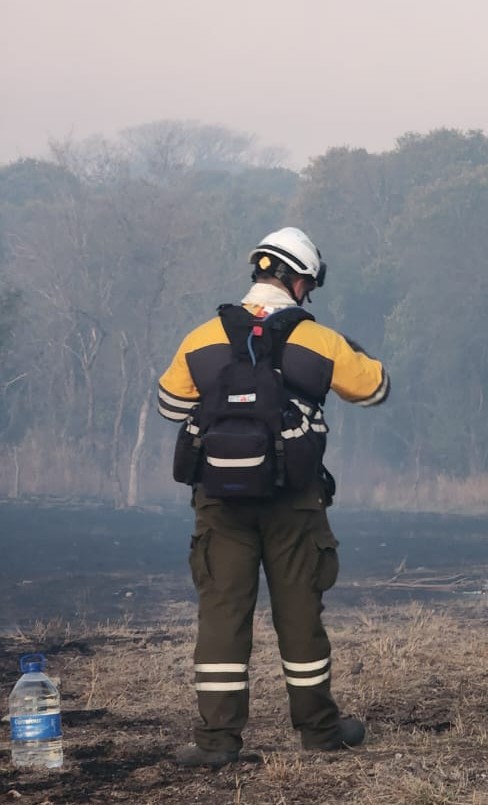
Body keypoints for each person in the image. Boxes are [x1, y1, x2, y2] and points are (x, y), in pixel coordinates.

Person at [156, 226, 390, 767]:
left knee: (221, 614)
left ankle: (217, 743)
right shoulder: (317, 339)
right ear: (298, 280)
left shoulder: (201, 337)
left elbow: (171, 404)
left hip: (219, 499)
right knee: (300, 612)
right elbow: (374, 388)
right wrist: (346, 350)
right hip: (295, 502)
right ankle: (320, 731)